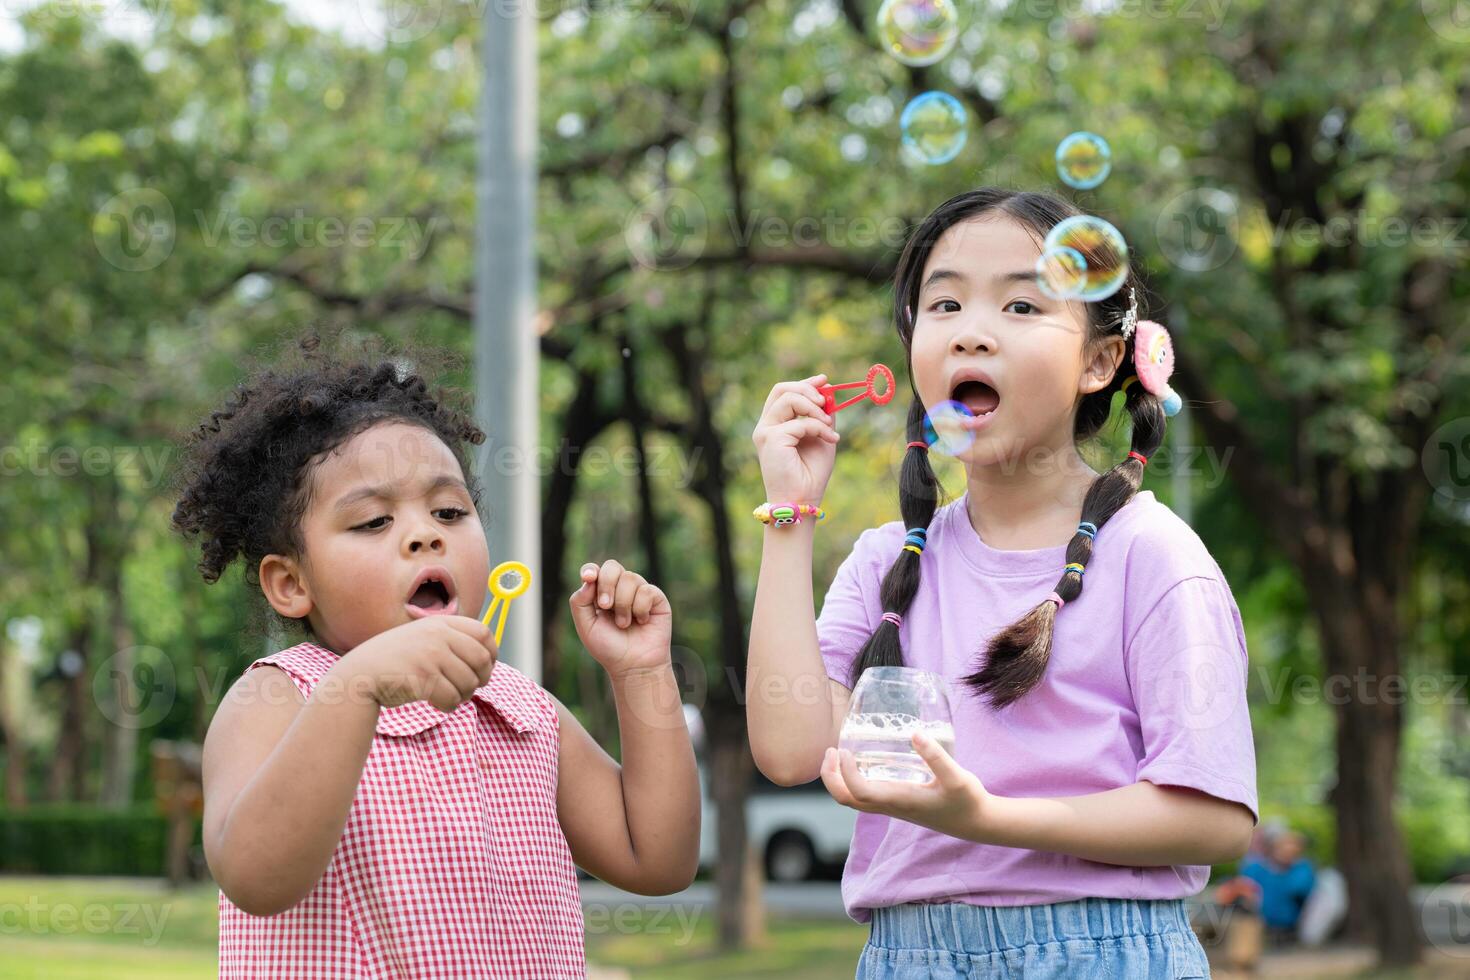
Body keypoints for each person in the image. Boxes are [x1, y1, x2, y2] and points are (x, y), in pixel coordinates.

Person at [747, 188, 1259, 978]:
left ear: (1100, 361)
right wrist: (791, 512)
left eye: (1022, 306)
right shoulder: (886, 561)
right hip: (907, 957)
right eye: (943, 303)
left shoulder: (1153, 557)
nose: (972, 333)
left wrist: (986, 818)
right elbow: (788, 751)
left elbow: (1214, 820)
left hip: (1104, 953)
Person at [172, 336, 699, 978]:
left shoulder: (521, 710)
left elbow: (660, 859)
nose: (426, 533)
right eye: (372, 522)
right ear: (291, 584)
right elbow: (255, 878)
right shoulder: (281, 696)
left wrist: (641, 671)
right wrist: (358, 687)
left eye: (450, 510)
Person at [1242, 828, 1318, 943]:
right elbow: (1244, 886)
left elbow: (1299, 890)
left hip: (1291, 921)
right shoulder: (1256, 868)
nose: (1287, 852)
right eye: (1282, 847)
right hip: (1259, 920)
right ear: (1272, 849)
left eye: (1293, 849)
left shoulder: (1302, 869)